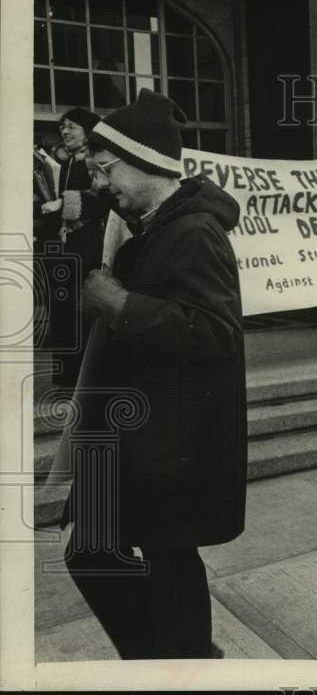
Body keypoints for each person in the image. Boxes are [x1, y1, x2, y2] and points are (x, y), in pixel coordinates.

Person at [60, 89, 248, 659]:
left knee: (140, 552)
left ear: (146, 161)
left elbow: (216, 332)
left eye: (104, 168)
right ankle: (175, 656)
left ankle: (173, 660)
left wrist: (119, 306)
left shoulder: (193, 233)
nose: (97, 182)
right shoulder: (153, 224)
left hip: (171, 439)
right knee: (139, 552)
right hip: (144, 433)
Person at [36, 108, 110, 387]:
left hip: (89, 244)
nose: (65, 131)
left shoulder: (94, 160)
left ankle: (85, 377)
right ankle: (68, 379)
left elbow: (104, 200)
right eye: (63, 127)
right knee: (63, 309)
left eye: (72, 127)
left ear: (88, 131)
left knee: (83, 310)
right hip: (68, 244)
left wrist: (63, 202)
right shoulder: (65, 163)